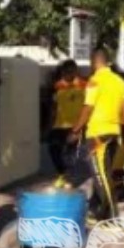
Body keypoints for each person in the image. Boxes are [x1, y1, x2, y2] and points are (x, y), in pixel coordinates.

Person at [70, 46, 124, 225]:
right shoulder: (120, 82)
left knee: (101, 177)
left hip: (97, 135)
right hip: (114, 133)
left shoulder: (94, 81)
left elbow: (87, 108)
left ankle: (112, 218)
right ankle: (98, 212)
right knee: (104, 175)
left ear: (94, 62)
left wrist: (75, 130)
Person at [47, 60, 87, 188]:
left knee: (70, 154)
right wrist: (49, 125)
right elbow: (53, 107)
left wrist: (82, 127)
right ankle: (62, 173)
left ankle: (68, 178)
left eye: (71, 71)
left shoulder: (83, 85)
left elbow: (88, 107)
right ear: (62, 72)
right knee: (53, 149)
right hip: (59, 125)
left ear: (75, 71)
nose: (68, 74)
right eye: (65, 71)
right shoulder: (57, 86)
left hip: (75, 126)